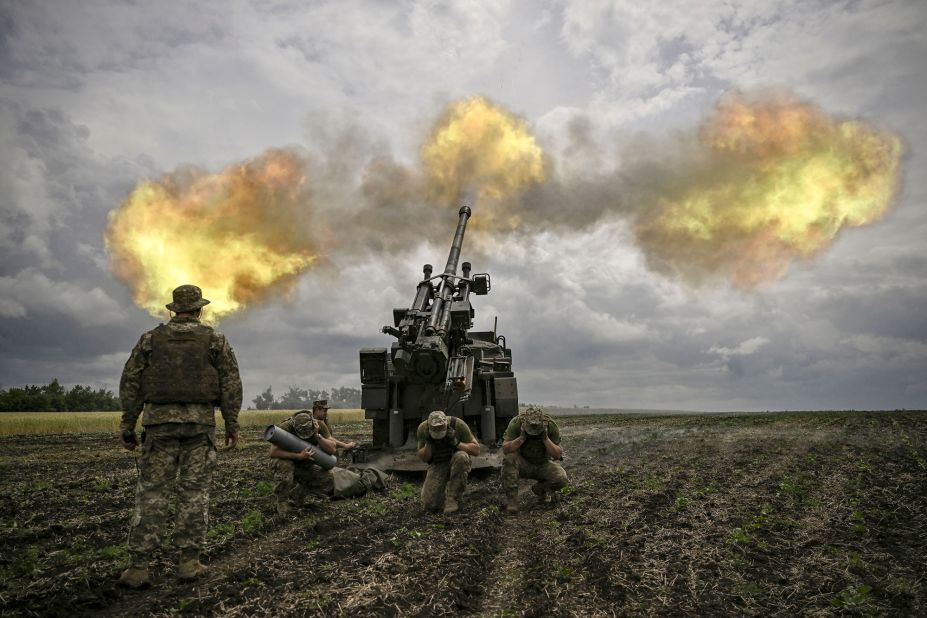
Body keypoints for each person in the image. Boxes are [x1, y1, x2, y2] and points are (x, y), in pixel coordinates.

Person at [117, 284, 242, 589]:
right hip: (199, 427)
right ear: (200, 309)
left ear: (172, 310)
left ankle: (138, 568)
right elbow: (231, 383)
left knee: (152, 492)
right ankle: (188, 562)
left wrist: (128, 424)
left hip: (159, 426)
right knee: (193, 492)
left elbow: (130, 381)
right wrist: (231, 424)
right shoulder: (215, 339)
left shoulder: (150, 339)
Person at [268, 410, 387, 514]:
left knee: (327, 478)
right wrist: (298, 456)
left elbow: (332, 448)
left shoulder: (318, 425)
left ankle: (297, 495)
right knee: (284, 466)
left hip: (306, 460)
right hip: (288, 459)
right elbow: (274, 452)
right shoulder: (285, 427)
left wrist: (317, 435)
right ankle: (282, 502)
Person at [500, 406, 568, 514]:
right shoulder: (516, 422)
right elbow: (505, 449)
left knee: (561, 478)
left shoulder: (550, 425)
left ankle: (540, 490)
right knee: (509, 459)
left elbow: (557, 454)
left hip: (543, 464)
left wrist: (545, 438)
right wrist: (521, 438)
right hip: (523, 463)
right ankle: (512, 502)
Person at [416, 410, 480, 514]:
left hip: (455, 459)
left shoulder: (457, 424)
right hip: (438, 463)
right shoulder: (423, 429)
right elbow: (424, 458)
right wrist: (428, 443)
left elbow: (476, 450)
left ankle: (452, 498)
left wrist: (456, 442)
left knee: (461, 456)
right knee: (429, 504)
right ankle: (443, 495)